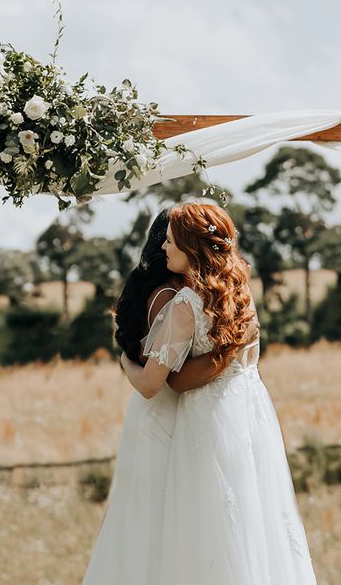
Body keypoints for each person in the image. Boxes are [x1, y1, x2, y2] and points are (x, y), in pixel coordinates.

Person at [120, 202, 318, 584]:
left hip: (206, 420)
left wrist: (125, 362)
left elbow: (149, 385)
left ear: (191, 248)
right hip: (250, 413)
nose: (164, 248)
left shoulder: (184, 306)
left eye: (172, 242)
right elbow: (248, 359)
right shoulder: (240, 293)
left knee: (205, 527)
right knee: (252, 518)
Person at [82, 208, 219, 584]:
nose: (166, 245)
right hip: (161, 410)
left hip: (164, 408)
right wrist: (126, 361)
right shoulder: (169, 296)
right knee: (152, 515)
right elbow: (154, 368)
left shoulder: (174, 291)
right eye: (169, 239)